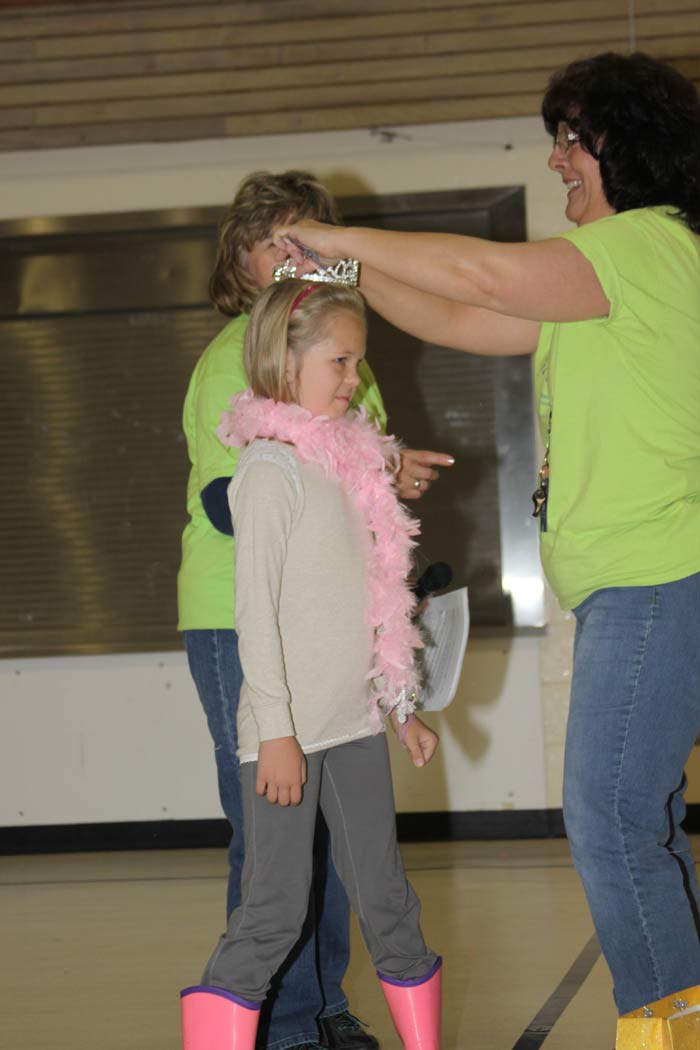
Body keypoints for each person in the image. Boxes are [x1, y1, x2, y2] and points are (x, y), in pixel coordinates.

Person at [275, 52, 700, 1050]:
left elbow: (474, 270)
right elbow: (461, 314)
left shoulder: (648, 245)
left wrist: (331, 234)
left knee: (605, 819)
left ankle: (662, 1032)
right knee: (638, 822)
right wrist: (330, 273)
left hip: (658, 577)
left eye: (571, 139)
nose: (556, 162)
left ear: (625, 148)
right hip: (636, 585)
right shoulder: (608, 281)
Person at [177, 170, 453, 1050]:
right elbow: (255, 570)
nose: (355, 376)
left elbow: (373, 577)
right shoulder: (261, 433)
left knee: (383, 893)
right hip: (274, 674)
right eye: (342, 364)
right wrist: (279, 727)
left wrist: (401, 703)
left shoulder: (336, 418)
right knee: (274, 887)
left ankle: (325, 1015)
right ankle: (281, 1025)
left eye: (357, 362)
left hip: (352, 703)